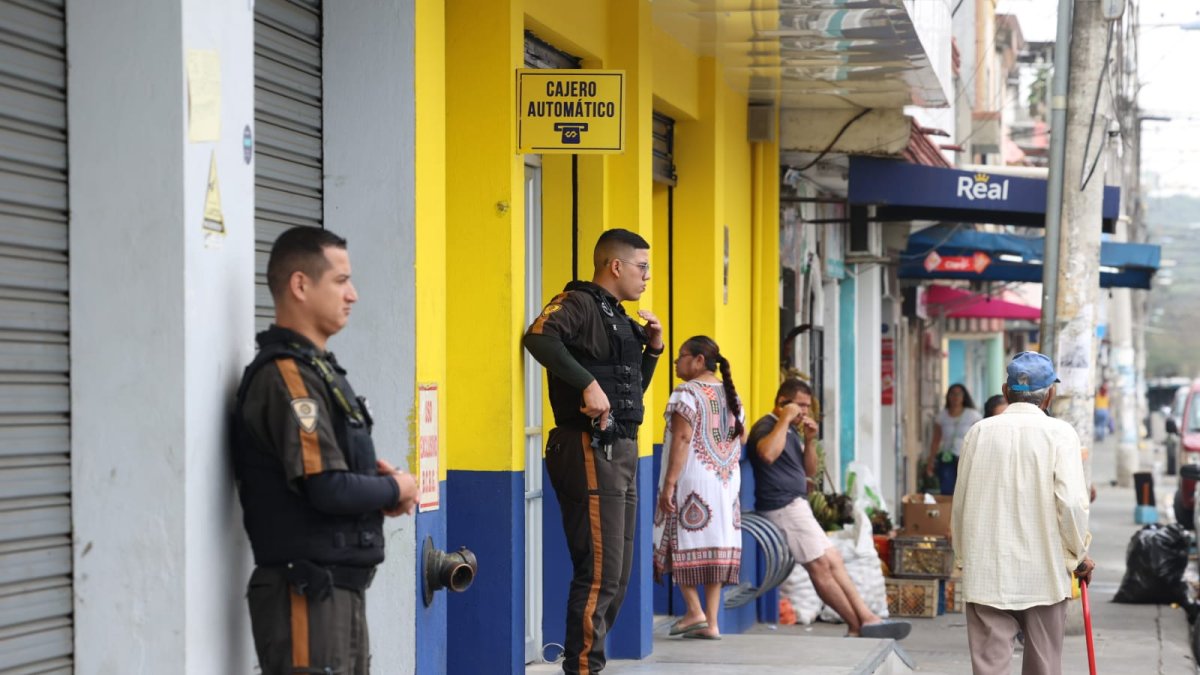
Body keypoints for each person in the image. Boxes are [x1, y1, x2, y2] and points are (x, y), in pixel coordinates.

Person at [232, 227, 419, 674]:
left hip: (334, 594)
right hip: (307, 595)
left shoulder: (316, 371)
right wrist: (395, 488)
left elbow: (330, 475)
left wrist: (376, 488)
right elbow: (326, 488)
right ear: (300, 285)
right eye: (340, 281)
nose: (352, 294)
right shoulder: (288, 377)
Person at [522, 228, 664, 674]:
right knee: (600, 570)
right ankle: (583, 668)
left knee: (618, 576)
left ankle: (588, 663)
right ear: (615, 266)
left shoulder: (618, 316)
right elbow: (539, 337)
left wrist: (653, 349)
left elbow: (630, 391)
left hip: (619, 447)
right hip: (587, 445)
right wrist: (586, 383)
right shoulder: (579, 302)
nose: (646, 277)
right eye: (641, 267)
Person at [952, 352, 1094, 675]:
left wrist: (962, 557)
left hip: (987, 572)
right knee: (1044, 666)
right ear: (1050, 394)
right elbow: (1071, 503)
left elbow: (959, 503)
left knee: (989, 667)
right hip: (1044, 571)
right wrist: (1078, 555)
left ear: (1005, 391)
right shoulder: (1060, 435)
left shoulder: (978, 433)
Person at [747, 379, 910, 639]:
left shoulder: (792, 431)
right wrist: (784, 420)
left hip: (798, 505)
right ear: (782, 403)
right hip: (783, 507)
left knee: (833, 561)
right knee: (820, 567)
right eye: (799, 405)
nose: (803, 412)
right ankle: (860, 622)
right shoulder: (766, 426)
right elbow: (767, 454)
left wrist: (810, 440)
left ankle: (863, 620)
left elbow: (809, 471)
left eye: (807, 407)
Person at [653, 336, 746, 640]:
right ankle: (712, 623)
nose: (676, 362)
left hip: (693, 478)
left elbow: (681, 439)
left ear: (698, 361)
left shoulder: (686, 393)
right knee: (715, 544)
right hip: (725, 484)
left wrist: (669, 483)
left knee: (682, 541)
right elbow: (739, 439)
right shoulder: (732, 396)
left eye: (681, 356)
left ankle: (694, 610)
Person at [924, 384, 982, 496]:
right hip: (947, 458)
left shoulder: (973, 415)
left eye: (959, 394)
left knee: (966, 490)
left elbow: (979, 438)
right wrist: (930, 462)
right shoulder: (942, 416)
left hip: (966, 457)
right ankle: (948, 512)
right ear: (948, 396)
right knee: (947, 489)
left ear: (964, 396)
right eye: (953, 394)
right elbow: (935, 441)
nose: (956, 397)